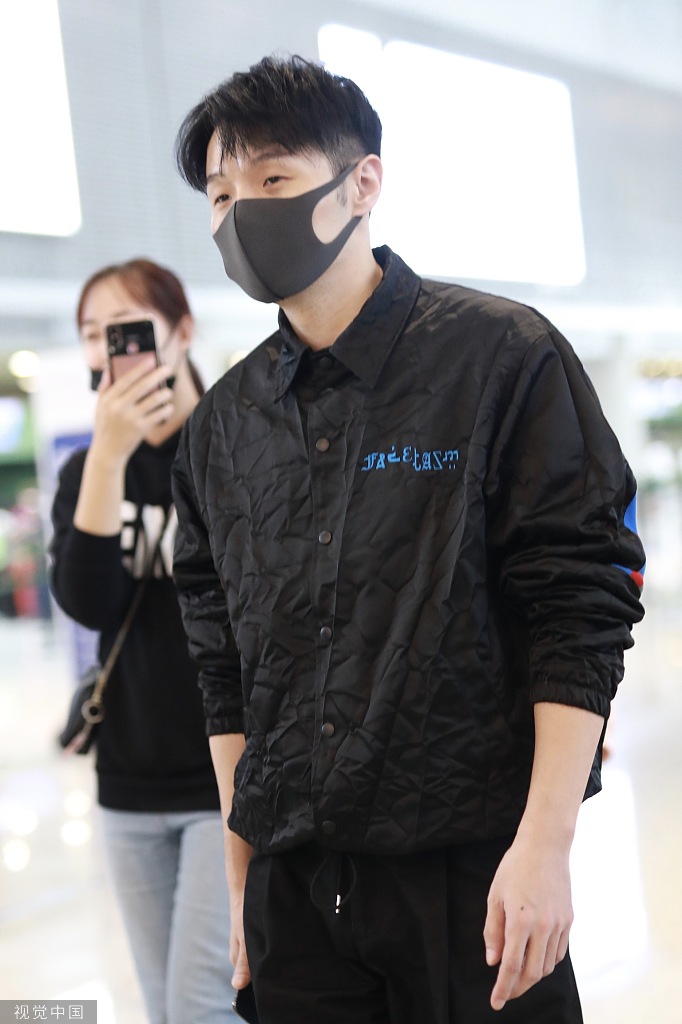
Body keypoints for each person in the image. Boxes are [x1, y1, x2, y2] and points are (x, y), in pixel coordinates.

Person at [171, 57, 646, 1024]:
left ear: (363, 183)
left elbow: (578, 605)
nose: (241, 214)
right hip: (296, 891)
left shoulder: (500, 357)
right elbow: (223, 658)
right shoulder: (222, 425)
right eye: (220, 196)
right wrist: (243, 867)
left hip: (473, 876)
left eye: (271, 178)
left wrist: (547, 846)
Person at [49, 258, 236, 1024]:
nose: (108, 350)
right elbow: (89, 605)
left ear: (182, 332)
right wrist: (109, 456)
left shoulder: (234, 447)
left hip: (224, 777)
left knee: (200, 1005)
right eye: (93, 335)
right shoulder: (89, 472)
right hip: (127, 782)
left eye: (126, 330)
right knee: (164, 1008)